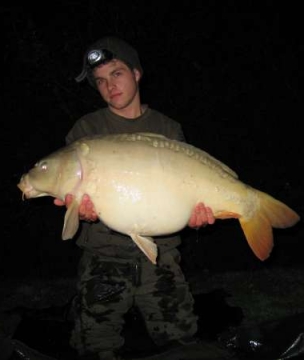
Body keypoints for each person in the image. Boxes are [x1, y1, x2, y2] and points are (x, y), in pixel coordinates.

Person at [54, 36, 216, 360]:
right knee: (94, 345)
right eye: (100, 81)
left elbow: (185, 196)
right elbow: (71, 196)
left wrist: (197, 218)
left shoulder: (168, 129)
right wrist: (80, 210)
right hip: (104, 256)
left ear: (137, 73)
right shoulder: (87, 129)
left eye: (116, 73)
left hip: (162, 254)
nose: (109, 86)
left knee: (182, 342)